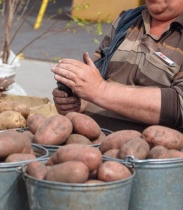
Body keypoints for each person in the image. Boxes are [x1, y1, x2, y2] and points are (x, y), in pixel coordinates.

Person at [51, 0, 183, 131]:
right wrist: (77, 100)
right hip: (91, 140)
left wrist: (100, 90)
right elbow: (95, 79)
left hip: (144, 147)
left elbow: (179, 106)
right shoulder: (126, 20)